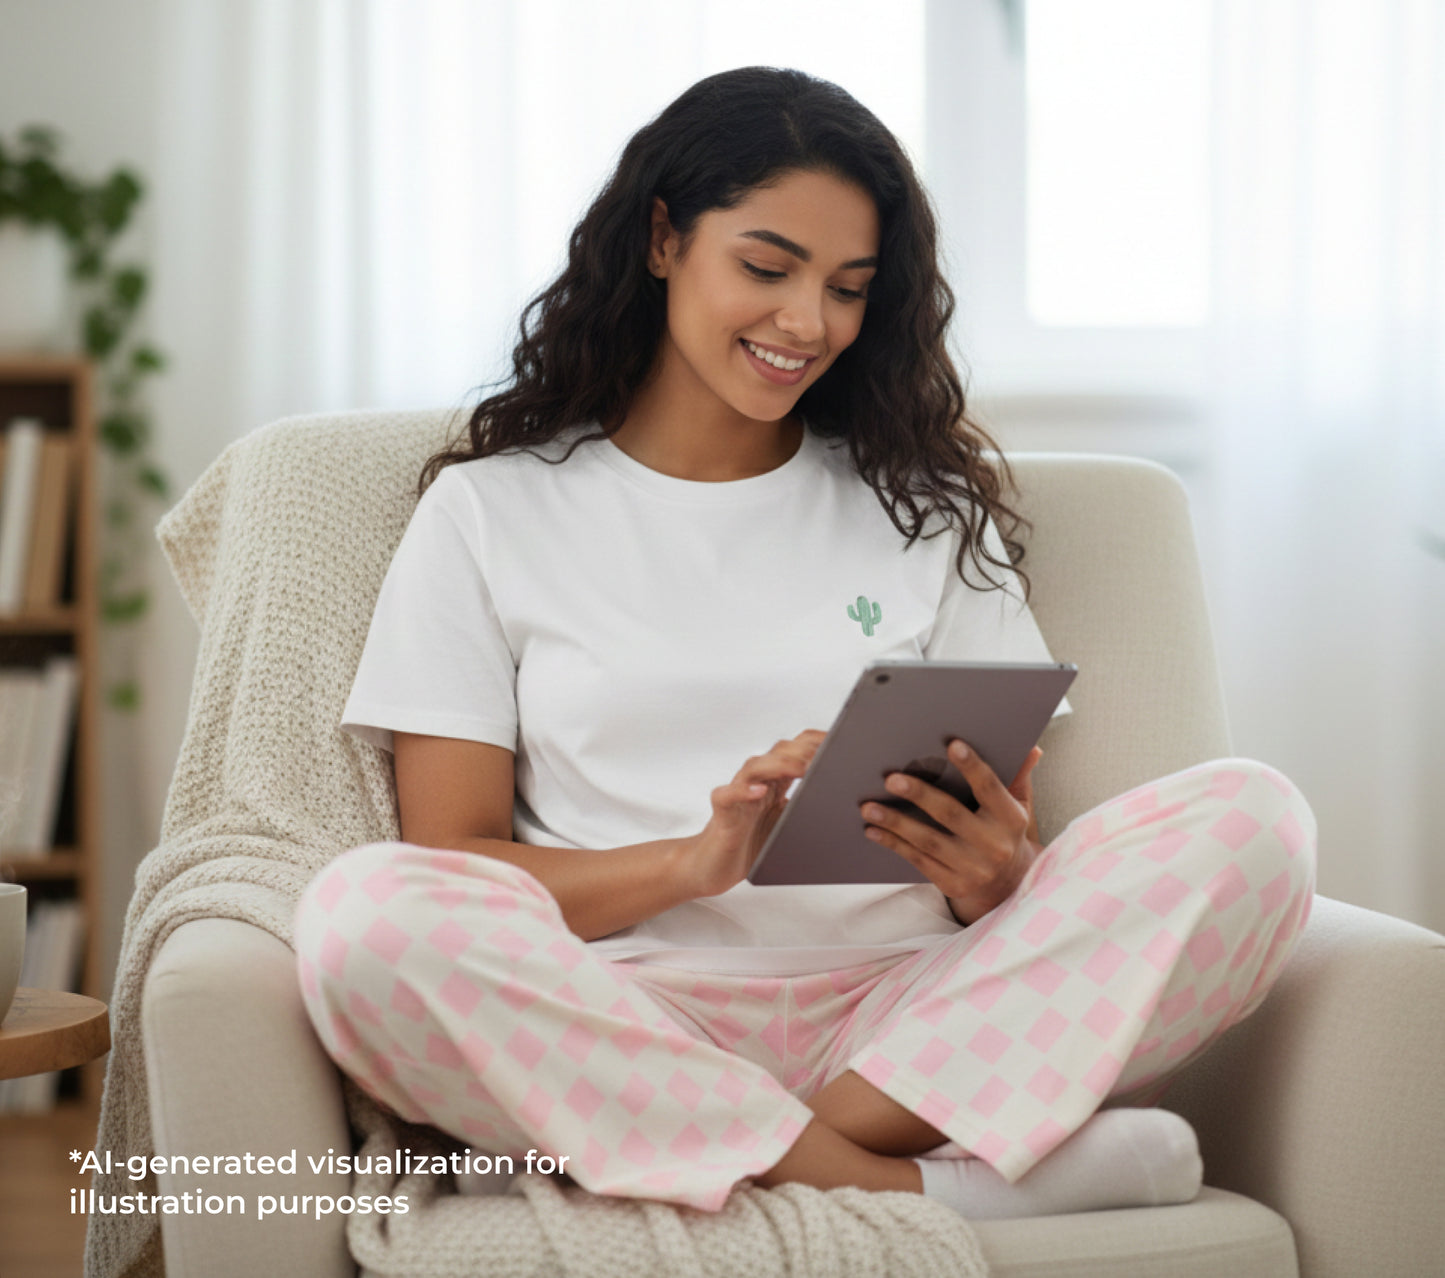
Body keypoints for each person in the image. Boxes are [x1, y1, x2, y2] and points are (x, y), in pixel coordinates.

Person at [294, 66, 1316, 1221]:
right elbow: (455, 861)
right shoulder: (488, 514)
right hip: (626, 1016)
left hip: (907, 1023)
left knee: (1252, 817)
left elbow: (1016, 861)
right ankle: (919, 1190)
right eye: (766, 268)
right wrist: (693, 862)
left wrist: (998, 881)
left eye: (847, 288)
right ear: (664, 239)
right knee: (363, 913)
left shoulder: (920, 512)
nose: (807, 324)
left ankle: (748, 1152)